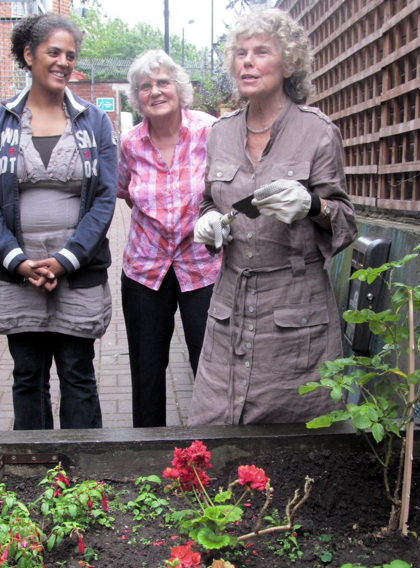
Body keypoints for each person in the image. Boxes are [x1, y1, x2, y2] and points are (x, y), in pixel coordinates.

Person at [188, 7, 357, 426]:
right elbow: (211, 202)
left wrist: (313, 207)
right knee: (214, 429)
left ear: (289, 63)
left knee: (295, 442)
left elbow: (345, 222)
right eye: (240, 52)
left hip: (294, 312)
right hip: (229, 308)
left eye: (261, 51)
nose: (247, 61)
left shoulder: (317, 132)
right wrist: (207, 223)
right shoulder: (219, 134)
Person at [0, 14, 117, 430]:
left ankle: (83, 477)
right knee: (28, 375)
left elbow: (105, 198)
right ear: (29, 55)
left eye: (70, 55)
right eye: (54, 52)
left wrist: (66, 259)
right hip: (16, 275)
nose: (63, 62)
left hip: (78, 271)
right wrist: (18, 261)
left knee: (77, 373)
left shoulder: (94, 121)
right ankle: (34, 472)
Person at [117, 50, 220, 428]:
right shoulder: (130, 143)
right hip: (145, 269)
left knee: (209, 364)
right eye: (145, 86)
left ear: (179, 88)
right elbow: (124, 190)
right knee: (146, 368)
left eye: (163, 82)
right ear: (137, 96)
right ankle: (149, 455)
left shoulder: (210, 131)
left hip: (202, 266)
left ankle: (212, 447)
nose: (155, 91)